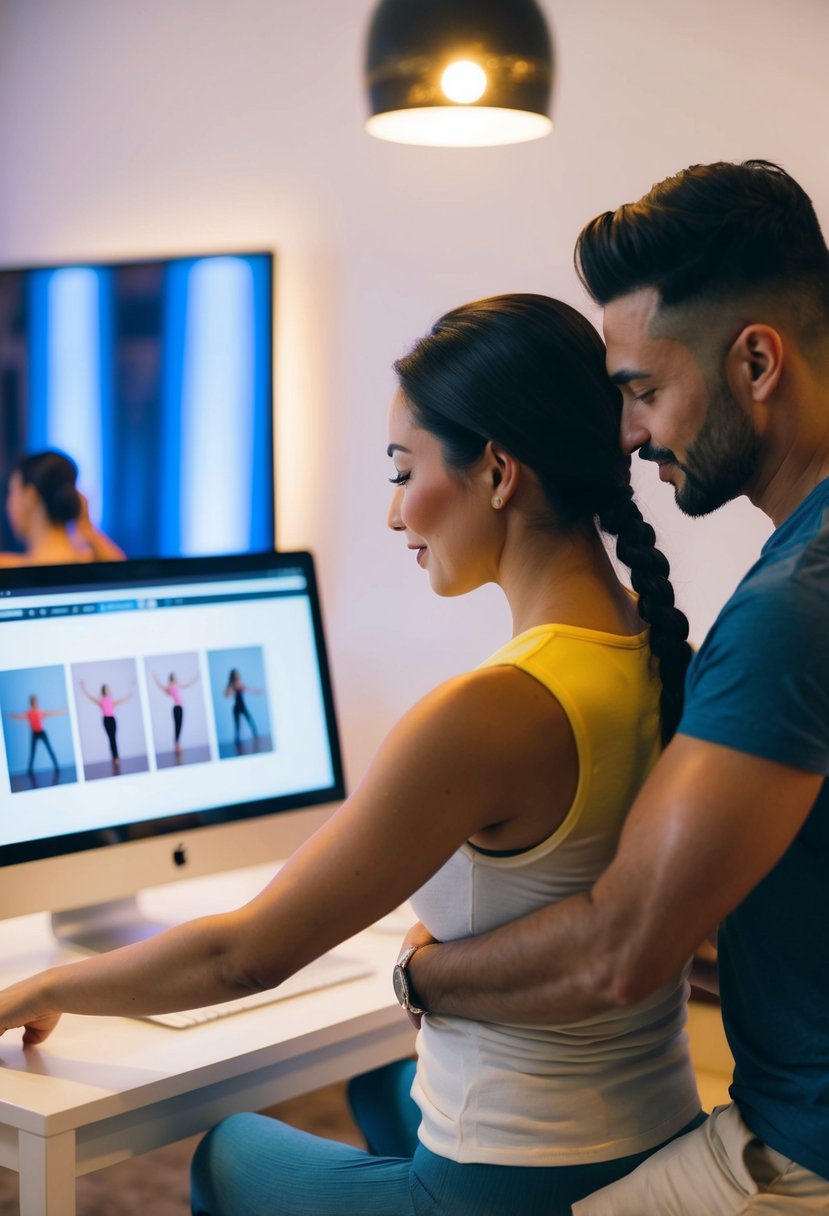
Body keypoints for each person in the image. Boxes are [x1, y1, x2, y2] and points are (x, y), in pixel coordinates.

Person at [0, 295, 703, 1216]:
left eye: (402, 470)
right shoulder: (662, 652)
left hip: (516, 1183)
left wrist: (39, 987)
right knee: (380, 1082)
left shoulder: (492, 709)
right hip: (646, 1132)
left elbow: (244, 958)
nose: (391, 513)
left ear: (496, 471)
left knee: (227, 1152)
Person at [397, 162, 829, 1213]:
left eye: (639, 388)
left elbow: (620, 950)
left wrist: (422, 977)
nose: (628, 435)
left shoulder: (787, 609)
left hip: (798, 1157)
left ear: (755, 360)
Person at [1, 449, 125, 567]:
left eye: (11, 492)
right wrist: (87, 529)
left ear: (29, 496)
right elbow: (123, 570)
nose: (8, 505)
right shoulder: (91, 561)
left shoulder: (10, 571)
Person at [79, 680, 134, 770]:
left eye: (108, 689)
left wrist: (129, 695)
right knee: (111, 739)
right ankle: (114, 757)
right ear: (103, 691)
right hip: (106, 720)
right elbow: (90, 697)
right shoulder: (101, 701)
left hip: (112, 720)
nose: (108, 690)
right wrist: (83, 688)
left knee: (114, 738)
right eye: (106, 689)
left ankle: (116, 757)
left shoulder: (110, 700)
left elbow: (120, 701)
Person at [5, 694, 64, 774]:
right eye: (34, 701)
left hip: (42, 733)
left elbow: (50, 713)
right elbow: (20, 716)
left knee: (49, 749)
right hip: (34, 734)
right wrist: (12, 715)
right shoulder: (29, 712)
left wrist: (60, 711)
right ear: (31, 702)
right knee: (32, 752)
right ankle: (30, 770)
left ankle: (57, 767)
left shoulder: (40, 711)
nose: (35, 702)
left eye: (36, 701)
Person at [152, 670, 199, 755]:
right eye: (174, 676)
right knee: (177, 727)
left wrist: (195, 679)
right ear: (172, 678)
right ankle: (177, 746)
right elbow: (159, 684)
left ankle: (178, 745)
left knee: (179, 726)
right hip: (176, 708)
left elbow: (186, 685)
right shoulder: (169, 687)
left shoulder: (177, 685)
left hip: (180, 708)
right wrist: (154, 675)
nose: (175, 678)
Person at [224, 668, 261, 747]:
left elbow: (249, 689)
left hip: (243, 707)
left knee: (251, 721)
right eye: (236, 675)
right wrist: (231, 688)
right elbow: (227, 695)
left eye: (238, 674)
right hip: (236, 708)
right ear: (233, 676)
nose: (237, 676)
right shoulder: (232, 685)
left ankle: (256, 737)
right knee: (237, 726)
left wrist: (258, 691)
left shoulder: (240, 684)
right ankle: (237, 742)